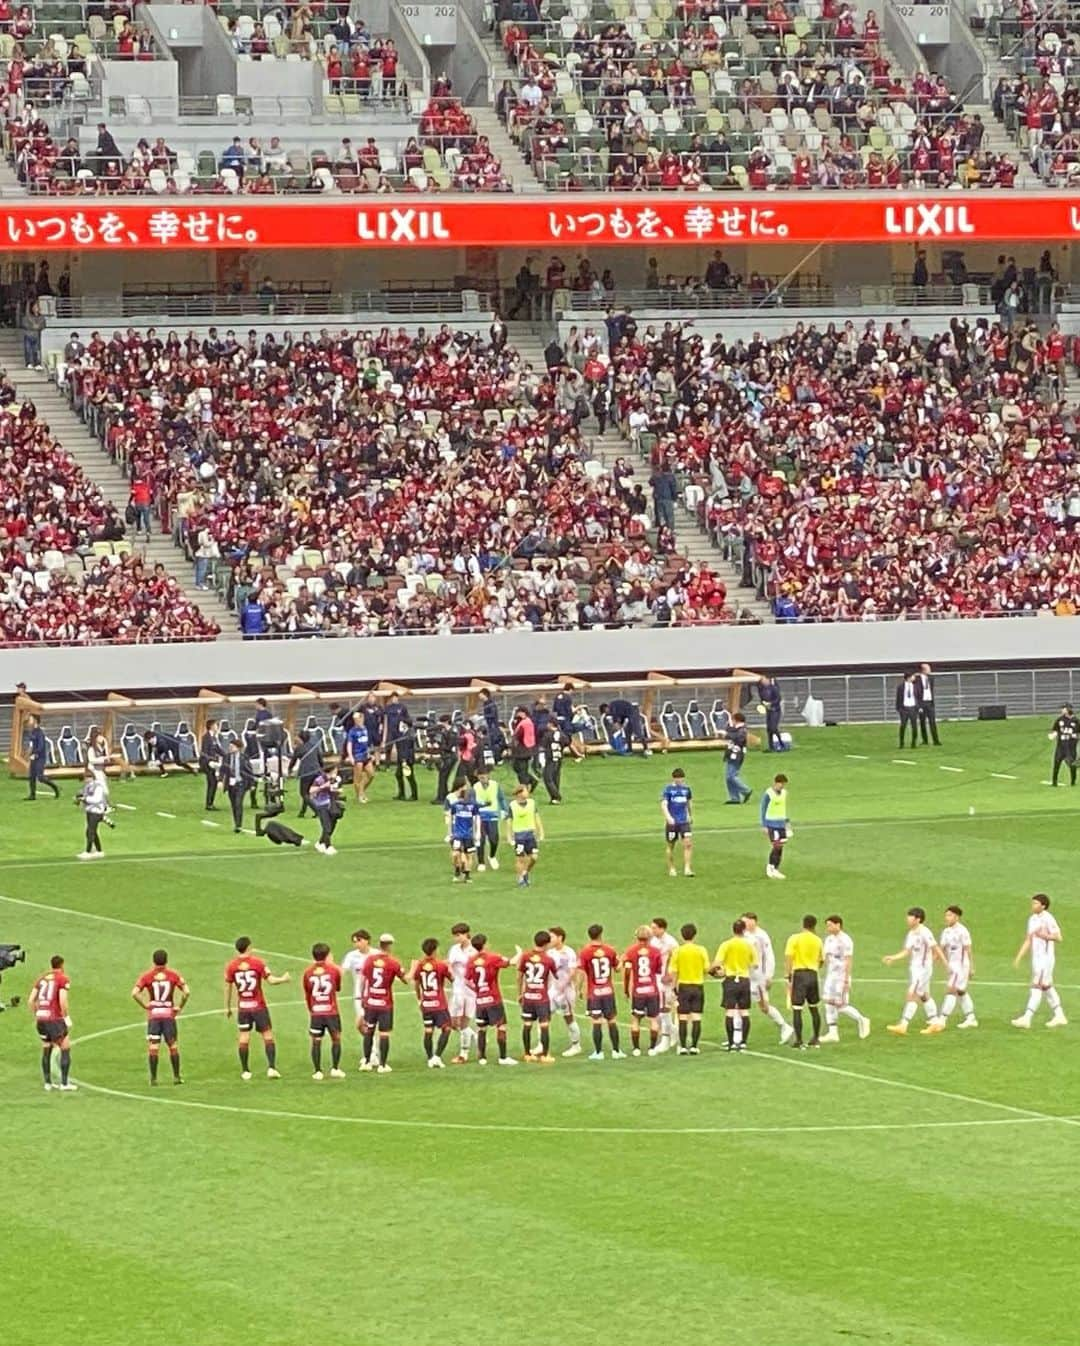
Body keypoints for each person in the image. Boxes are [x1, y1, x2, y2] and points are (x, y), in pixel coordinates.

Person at [224, 936, 290, 1079]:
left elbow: (228, 987)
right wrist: (284, 979)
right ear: (248, 947)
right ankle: (271, 1068)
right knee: (267, 1035)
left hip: (243, 1007)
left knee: (244, 1037)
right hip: (258, 1006)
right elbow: (271, 981)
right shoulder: (257, 963)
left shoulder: (231, 966)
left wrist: (228, 1007)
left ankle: (245, 1071)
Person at [883, 907, 947, 1036]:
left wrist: (946, 964)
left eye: (910, 916)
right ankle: (935, 1022)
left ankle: (903, 1024)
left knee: (912, 994)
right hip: (915, 969)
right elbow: (907, 951)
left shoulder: (925, 932)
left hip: (923, 969)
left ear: (918, 919)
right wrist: (893, 957)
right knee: (924, 995)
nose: (907, 919)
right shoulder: (911, 933)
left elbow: (936, 948)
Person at [131, 949, 189, 1084]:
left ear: (153, 961)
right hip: (168, 1015)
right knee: (173, 1046)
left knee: (153, 1047)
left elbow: (134, 993)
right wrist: (180, 1006)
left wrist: (146, 1005)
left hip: (154, 1016)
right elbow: (186, 992)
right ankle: (176, 1077)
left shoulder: (147, 976)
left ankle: (153, 1078)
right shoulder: (173, 975)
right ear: (166, 961)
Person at [1012, 893, 1067, 1028]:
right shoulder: (1032, 919)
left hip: (1045, 959)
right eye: (1033, 903)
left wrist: (1045, 936)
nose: (1033, 905)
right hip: (1036, 959)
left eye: (1036, 903)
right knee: (1047, 986)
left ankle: (1027, 1018)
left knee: (1037, 986)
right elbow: (1029, 939)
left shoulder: (1049, 919)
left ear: (1043, 906)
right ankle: (1060, 1015)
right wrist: (1019, 956)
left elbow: (1059, 938)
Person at [464, 933, 517, 1066]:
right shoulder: (492, 958)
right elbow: (512, 962)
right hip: (493, 999)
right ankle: (503, 1058)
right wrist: (520, 953)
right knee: (501, 1027)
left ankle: (482, 1057)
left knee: (482, 1028)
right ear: (485, 944)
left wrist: (477, 990)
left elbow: (467, 981)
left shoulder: (471, 961)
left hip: (480, 1001)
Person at [742, 911, 794, 1043]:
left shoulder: (762, 936)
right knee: (738, 1005)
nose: (744, 924)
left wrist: (768, 976)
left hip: (758, 977)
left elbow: (769, 956)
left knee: (764, 1006)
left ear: (754, 921)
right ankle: (737, 1037)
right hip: (745, 975)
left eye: (746, 921)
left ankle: (784, 1026)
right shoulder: (744, 935)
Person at [819, 916, 871, 1043]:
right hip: (830, 976)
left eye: (830, 925)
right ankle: (833, 1033)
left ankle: (862, 1019)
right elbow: (825, 957)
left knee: (840, 1005)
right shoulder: (829, 939)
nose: (828, 928)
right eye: (827, 925)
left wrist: (846, 980)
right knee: (828, 1003)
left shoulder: (846, 940)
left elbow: (848, 960)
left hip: (841, 977)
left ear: (838, 925)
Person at [29, 954, 76, 1091]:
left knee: (46, 1047)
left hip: (41, 1019)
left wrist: (37, 1014)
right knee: (65, 1047)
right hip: (54, 1019)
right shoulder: (62, 978)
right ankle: (64, 1083)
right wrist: (66, 1017)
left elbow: (31, 1000)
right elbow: (62, 999)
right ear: (62, 965)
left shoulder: (42, 978)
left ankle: (48, 1083)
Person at [360, 934, 406, 1073]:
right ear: (390, 945)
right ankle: (382, 1065)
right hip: (385, 1003)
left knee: (369, 1031)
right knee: (384, 1034)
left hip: (371, 1001)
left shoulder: (369, 960)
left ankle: (366, 1062)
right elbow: (405, 980)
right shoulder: (393, 962)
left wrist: (363, 997)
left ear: (379, 944)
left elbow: (364, 980)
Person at [710, 917, 757, 1051]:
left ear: (733, 930)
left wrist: (711, 970)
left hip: (730, 979)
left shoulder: (726, 944)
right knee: (744, 1012)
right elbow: (755, 964)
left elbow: (718, 962)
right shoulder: (749, 945)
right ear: (744, 929)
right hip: (744, 979)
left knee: (730, 1011)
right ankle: (743, 1042)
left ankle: (731, 1043)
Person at [578, 924, 624, 1059]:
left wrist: (579, 988)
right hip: (608, 991)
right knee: (612, 1020)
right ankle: (616, 1051)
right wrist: (620, 960)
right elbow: (618, 969)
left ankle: (598, 1052)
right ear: (601, 934)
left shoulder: (585, 952)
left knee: (596, 1021)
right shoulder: (609, 950)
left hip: (594, 993)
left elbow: (581, 972)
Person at [302, 943, 345, 1080]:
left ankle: (317, 1071)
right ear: (327, 956)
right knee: (336, 1039)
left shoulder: (308, 972)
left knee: (316, 1040)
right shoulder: (333, 970)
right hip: (331, 1011)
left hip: (316, 1012)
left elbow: (307, 994)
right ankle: (335, 1068)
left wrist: (312, 1010)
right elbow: (337, 988)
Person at [409, 939, 452, 1068]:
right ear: (434, 950)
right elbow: (452, 978)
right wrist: (448, 966)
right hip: (439, 1004)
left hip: (426, 1004)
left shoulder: (420, 965)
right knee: (447, 1028)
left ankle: (429, 1058)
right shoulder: (440, 965)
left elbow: (416, 983)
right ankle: (437, 1056)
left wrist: (419, 999)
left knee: (428, 1030)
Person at [668, 923, 710, 1055]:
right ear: (695, 935)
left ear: (682, 935)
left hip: (684, 986)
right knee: (696, 1016)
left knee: (683, 1017)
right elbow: (706, 968)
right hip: (698, 985)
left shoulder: (678, 951)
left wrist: (674, 987)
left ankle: (683, 1047)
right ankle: (694, 1046)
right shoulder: (701, 950)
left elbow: (673, 971)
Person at [622, 924, 664, 1056]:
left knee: (635, 1019)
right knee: (653, 1019)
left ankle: (636, 1049)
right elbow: (658, 970)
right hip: (652, 990)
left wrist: (626, 988)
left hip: (638, 991)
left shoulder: (630, 951)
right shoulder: (656, 952)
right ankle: (652, 1048)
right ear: (650, 937)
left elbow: (628, 970)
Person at [784, 914, 824, 1049]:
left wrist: (788, 974)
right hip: (813, 974)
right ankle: (816, 1038)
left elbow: (789, 957)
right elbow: (822, 960)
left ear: (803, 924)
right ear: (814, 925)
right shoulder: (818, 940)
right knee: (814, 1008)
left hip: (799, 974)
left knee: (797, 1009)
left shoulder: (794, 938)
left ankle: (799, 1040)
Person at [517, 931, 557, 1063]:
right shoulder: (548, 960)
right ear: (546, 944)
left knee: (527, 1024)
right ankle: (545, 1055)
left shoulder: (525, 956)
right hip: (541, 998)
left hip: (528, 996)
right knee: (544, 1025)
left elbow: (519, 976)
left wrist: (520, 993)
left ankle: (527, 1053)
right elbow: (555, 976)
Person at [938, 905, 977, 1030]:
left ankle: (942, 1019)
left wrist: (971, 967)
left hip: (961, 966)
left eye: (949, 915)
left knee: (951, 990)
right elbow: (941, 949)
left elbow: (968, 950)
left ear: (956, 917)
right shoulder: (946, 931)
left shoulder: (962, 931)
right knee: (961, 991)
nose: (946, 918)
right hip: (952, 966)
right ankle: (971, 1018)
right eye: (946, 915)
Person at [547, 926, 581, 1057]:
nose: (550, 939)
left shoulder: (569, 952)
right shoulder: (549, 953)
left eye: (552, 937)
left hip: (566, 991)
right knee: (544, 1016)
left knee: (568, 1017)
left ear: (560, 938)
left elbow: (573, 972)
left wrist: (563, 986)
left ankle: (576, 1045)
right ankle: (541, 1044)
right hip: (552, 990)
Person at [447, 922, 478, 1064]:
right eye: (455, 936)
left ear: (467, 934)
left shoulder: (475, 951)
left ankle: (463, 1054)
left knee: (464, 1022)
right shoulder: (454, 949)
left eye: (458, 935)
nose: (456, 938)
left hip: (470, 992)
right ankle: (474, 1036)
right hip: (457, 990)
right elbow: (449, 964)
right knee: (453, 1024)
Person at [339, 929, 373, 1056]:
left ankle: (372, 1053)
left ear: (367, 940)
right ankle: (373, 1049)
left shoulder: (376, 954)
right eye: (354, 942)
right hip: (359, 996)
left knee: (370, 1024)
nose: (356, 944)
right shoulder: (351, 956)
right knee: (361, 1024)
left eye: (359, 940)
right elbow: (342, 971)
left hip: (375, 995)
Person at [650, 916, 679, 1052]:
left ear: (662, 928)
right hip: (655, 977)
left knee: (664, 1008)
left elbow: (676, 960)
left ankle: (666, 1038)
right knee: (659, 1009)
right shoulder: (653, 941)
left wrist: (670, 975)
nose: (652, 930)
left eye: (654, 927)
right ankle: (674, 1032)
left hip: (665, 980)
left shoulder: (671, 942)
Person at [660, 767, 694, 878]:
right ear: (673, 778)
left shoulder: (686, 789)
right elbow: (664, 805)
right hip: (673, 823)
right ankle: (671, 868)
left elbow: (689, 803)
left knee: (688, 843)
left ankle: (687, 868)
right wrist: (668, 817)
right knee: (671, 845)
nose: (679, 781)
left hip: (684, 821)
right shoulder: (668, 790)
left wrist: (690, 815)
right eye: (677, 779)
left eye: (681, 779)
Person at [507, 784, 543, 887]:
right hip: (519, 836)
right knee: (520, 858)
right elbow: (509, 821)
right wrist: (509, 836)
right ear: (519, 793)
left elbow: (537, 817)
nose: (527, 793)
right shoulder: (512, 805)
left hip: (530, 835)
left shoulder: (532, 803)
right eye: (525, 791)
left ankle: (525, 872)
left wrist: (540, 831)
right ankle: (520, 879)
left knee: (534, 857)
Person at [473, 766, 507, 871]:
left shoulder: (495, 785)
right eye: (480, 777)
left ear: (488, 776)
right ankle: (481, 862)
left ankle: (492, 856)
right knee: (481, 839)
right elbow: (473, 802)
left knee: (494, 839)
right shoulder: (475, 787)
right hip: (480, 816)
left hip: (492, 815)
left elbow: (501, 798)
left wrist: (503, 810)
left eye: (484, 777)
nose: (482, 779)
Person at [445, 783, 478, 883]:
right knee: (456, 854)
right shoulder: (456, 806)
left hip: (468, 835)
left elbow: (476, 819)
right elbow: (451, 818)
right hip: (458, 835)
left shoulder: (473, 807)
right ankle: (458, 870)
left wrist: (476, 833)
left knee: (469, 855)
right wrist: (450, 832)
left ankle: (467, 875)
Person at [220, 740, 255, 833]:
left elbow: (249, 771)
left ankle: (239, 825)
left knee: (238, 803)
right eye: (230, 746)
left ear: (238, 748)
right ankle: (236, 822)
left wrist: (252, 784)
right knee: (233, 805)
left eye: (232, 746)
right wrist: (220, 780)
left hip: (241, 784)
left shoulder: (244, 758)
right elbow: (222, 769)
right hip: (231, 784)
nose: (230, 748)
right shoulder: (227, 757)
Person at [760, 773, 790, 879]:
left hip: (781, 823)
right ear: (775, 783)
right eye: (780, 784)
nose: (782, 786)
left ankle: (776, 869)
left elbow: (783, 808)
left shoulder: (784, 793)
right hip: (771, 824)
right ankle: (770, 867)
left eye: (783, 784)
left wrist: (787, 822)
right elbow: (763, 809)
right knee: (776, 845)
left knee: (781, 847)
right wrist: (764, 825)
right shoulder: (768, 794)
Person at [290, 727, 324, 818]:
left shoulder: (299, 748)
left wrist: (289, 770)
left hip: (305, 773)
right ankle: (302, 812)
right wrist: (321, 768)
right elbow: (320, 760)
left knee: (304, 793)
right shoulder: (315, 746)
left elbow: (293, 761)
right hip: (316, 771)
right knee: (307, 794)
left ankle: (317, 810)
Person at [75, 767, 108, 860]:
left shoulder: (98, 787)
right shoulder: (88, 787)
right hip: (90, 811)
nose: (84, 781)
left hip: (97, 811)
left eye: (85, 778)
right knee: (93, 831)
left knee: (90, 831)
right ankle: (99, 851)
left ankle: (88, 852)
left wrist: (85, 799)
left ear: (90, 778)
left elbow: (97, 800)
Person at [24, 714, 59, 800]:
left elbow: (41, 746)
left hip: (40, 758)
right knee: (31, 776)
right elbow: (31, 745)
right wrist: (28, 754)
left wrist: (35, 753)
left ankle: (55, 788)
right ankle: (32, 795)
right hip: (33, 757)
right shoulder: (32, 732)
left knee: (40, 777)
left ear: (35, 721)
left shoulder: (39, 733)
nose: (29, 721)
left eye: (31, 719)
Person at [309, 766, 342, 855]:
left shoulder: (336, 779)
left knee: (332, 825)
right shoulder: (319, 779)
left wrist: (337, 791)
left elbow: (335, 790)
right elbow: (311, 791)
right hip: (321, 804)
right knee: (326, 825)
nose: (336, 773)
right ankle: (328, 846)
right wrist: (323, 786)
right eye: (335, 771)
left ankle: (320, 843)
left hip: (332, 804)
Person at [722, 712, 753, 804]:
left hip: (737, 755)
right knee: (728, 777)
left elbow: (739, 738)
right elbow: (730, 730)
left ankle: (746, 790)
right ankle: (734, 798)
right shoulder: (736, 729)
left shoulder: (742, 730)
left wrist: (727, 735)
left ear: (736, 720)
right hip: (731, 754)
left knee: (731, 776)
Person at [344, 711, 374, 804]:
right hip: (357, 756)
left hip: (366, 755)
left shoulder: (365, 729)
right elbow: (349, 744)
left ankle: (362, 791)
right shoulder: (352, 731)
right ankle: (360, 795)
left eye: (360, 719)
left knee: (371, 775)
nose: (358, 721)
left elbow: (366, 743)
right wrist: (350, 756)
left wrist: (369, 752)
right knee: (358, 777)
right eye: (356, 719)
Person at [1049, 704, 1078, 787]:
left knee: (1072, 765)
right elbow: (1055, 730)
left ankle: (1073, 781)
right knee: (1056, 764)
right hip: (1060, 747)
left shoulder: (1076, 721)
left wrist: (1073, 736)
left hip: (1071, 747)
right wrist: (1053, 735)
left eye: (1063, 709)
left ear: (1068, 709)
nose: (1062, 710)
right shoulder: (1059, 720)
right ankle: (1054, 782)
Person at [536, 721, 565, 803]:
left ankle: (556, 796)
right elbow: (566, 742)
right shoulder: (561, 734)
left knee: (547, 778)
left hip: (550, 758)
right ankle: (554, 798)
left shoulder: (548, 735)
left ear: (551, 724)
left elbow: (543, 746)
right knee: (556, 777)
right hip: (559, 758)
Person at [198, 717, 223, 810]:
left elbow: (218, 749)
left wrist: (227, 755)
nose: (217, 727)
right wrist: (209, 761)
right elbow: (205, 751)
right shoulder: (206, 737)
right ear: (212, 726)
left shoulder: (214, 737)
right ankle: (209, 804)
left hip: (212, 762)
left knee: (213, 782)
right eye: (216, 725)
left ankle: (210, 803)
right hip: (207, 763)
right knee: (212, 782)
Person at [915, 662, 940, 745]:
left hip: (929, 703)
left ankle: (936, 740)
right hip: (922, 703)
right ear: (923, 670)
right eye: (928, 668)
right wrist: (918, 705)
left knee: (932, 722)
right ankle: (925, 740)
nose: (930, 670)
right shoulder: (917, 679)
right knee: (922, 722)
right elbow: (916, 693)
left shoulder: (931, 678)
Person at [393, 717, 418, 801]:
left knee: (409, 776)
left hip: (406, 758)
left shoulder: (410, 733)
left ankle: (414, 795)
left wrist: (405, 758)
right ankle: (401, 793)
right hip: (401, 758)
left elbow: (408, 747)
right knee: (398, 775)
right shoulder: (402, 733)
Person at [757, 675, 783, 751]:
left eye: (764, 680)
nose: (763, 682)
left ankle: (781, 743)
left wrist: (770, 703)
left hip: (775, 710)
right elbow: (762, 699)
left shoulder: (773, 688)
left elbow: (778, 699)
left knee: (773, 728)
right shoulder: (762, 690)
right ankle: (771, 746)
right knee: (769, 729)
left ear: (768, 680)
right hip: (769, 710)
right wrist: (763, 704)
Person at [895, 672, 919, 748]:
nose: (914, 678)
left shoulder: (915, 686)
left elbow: (918, 697)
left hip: (912, 707)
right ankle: (901, 742)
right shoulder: (901, 687)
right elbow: (898, 698)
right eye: (913, 676)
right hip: (904, 708)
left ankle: (914, 742)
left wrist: (917, 707)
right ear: (908, 677)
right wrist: (899, 708)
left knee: (914, 726)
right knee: (903, 726)